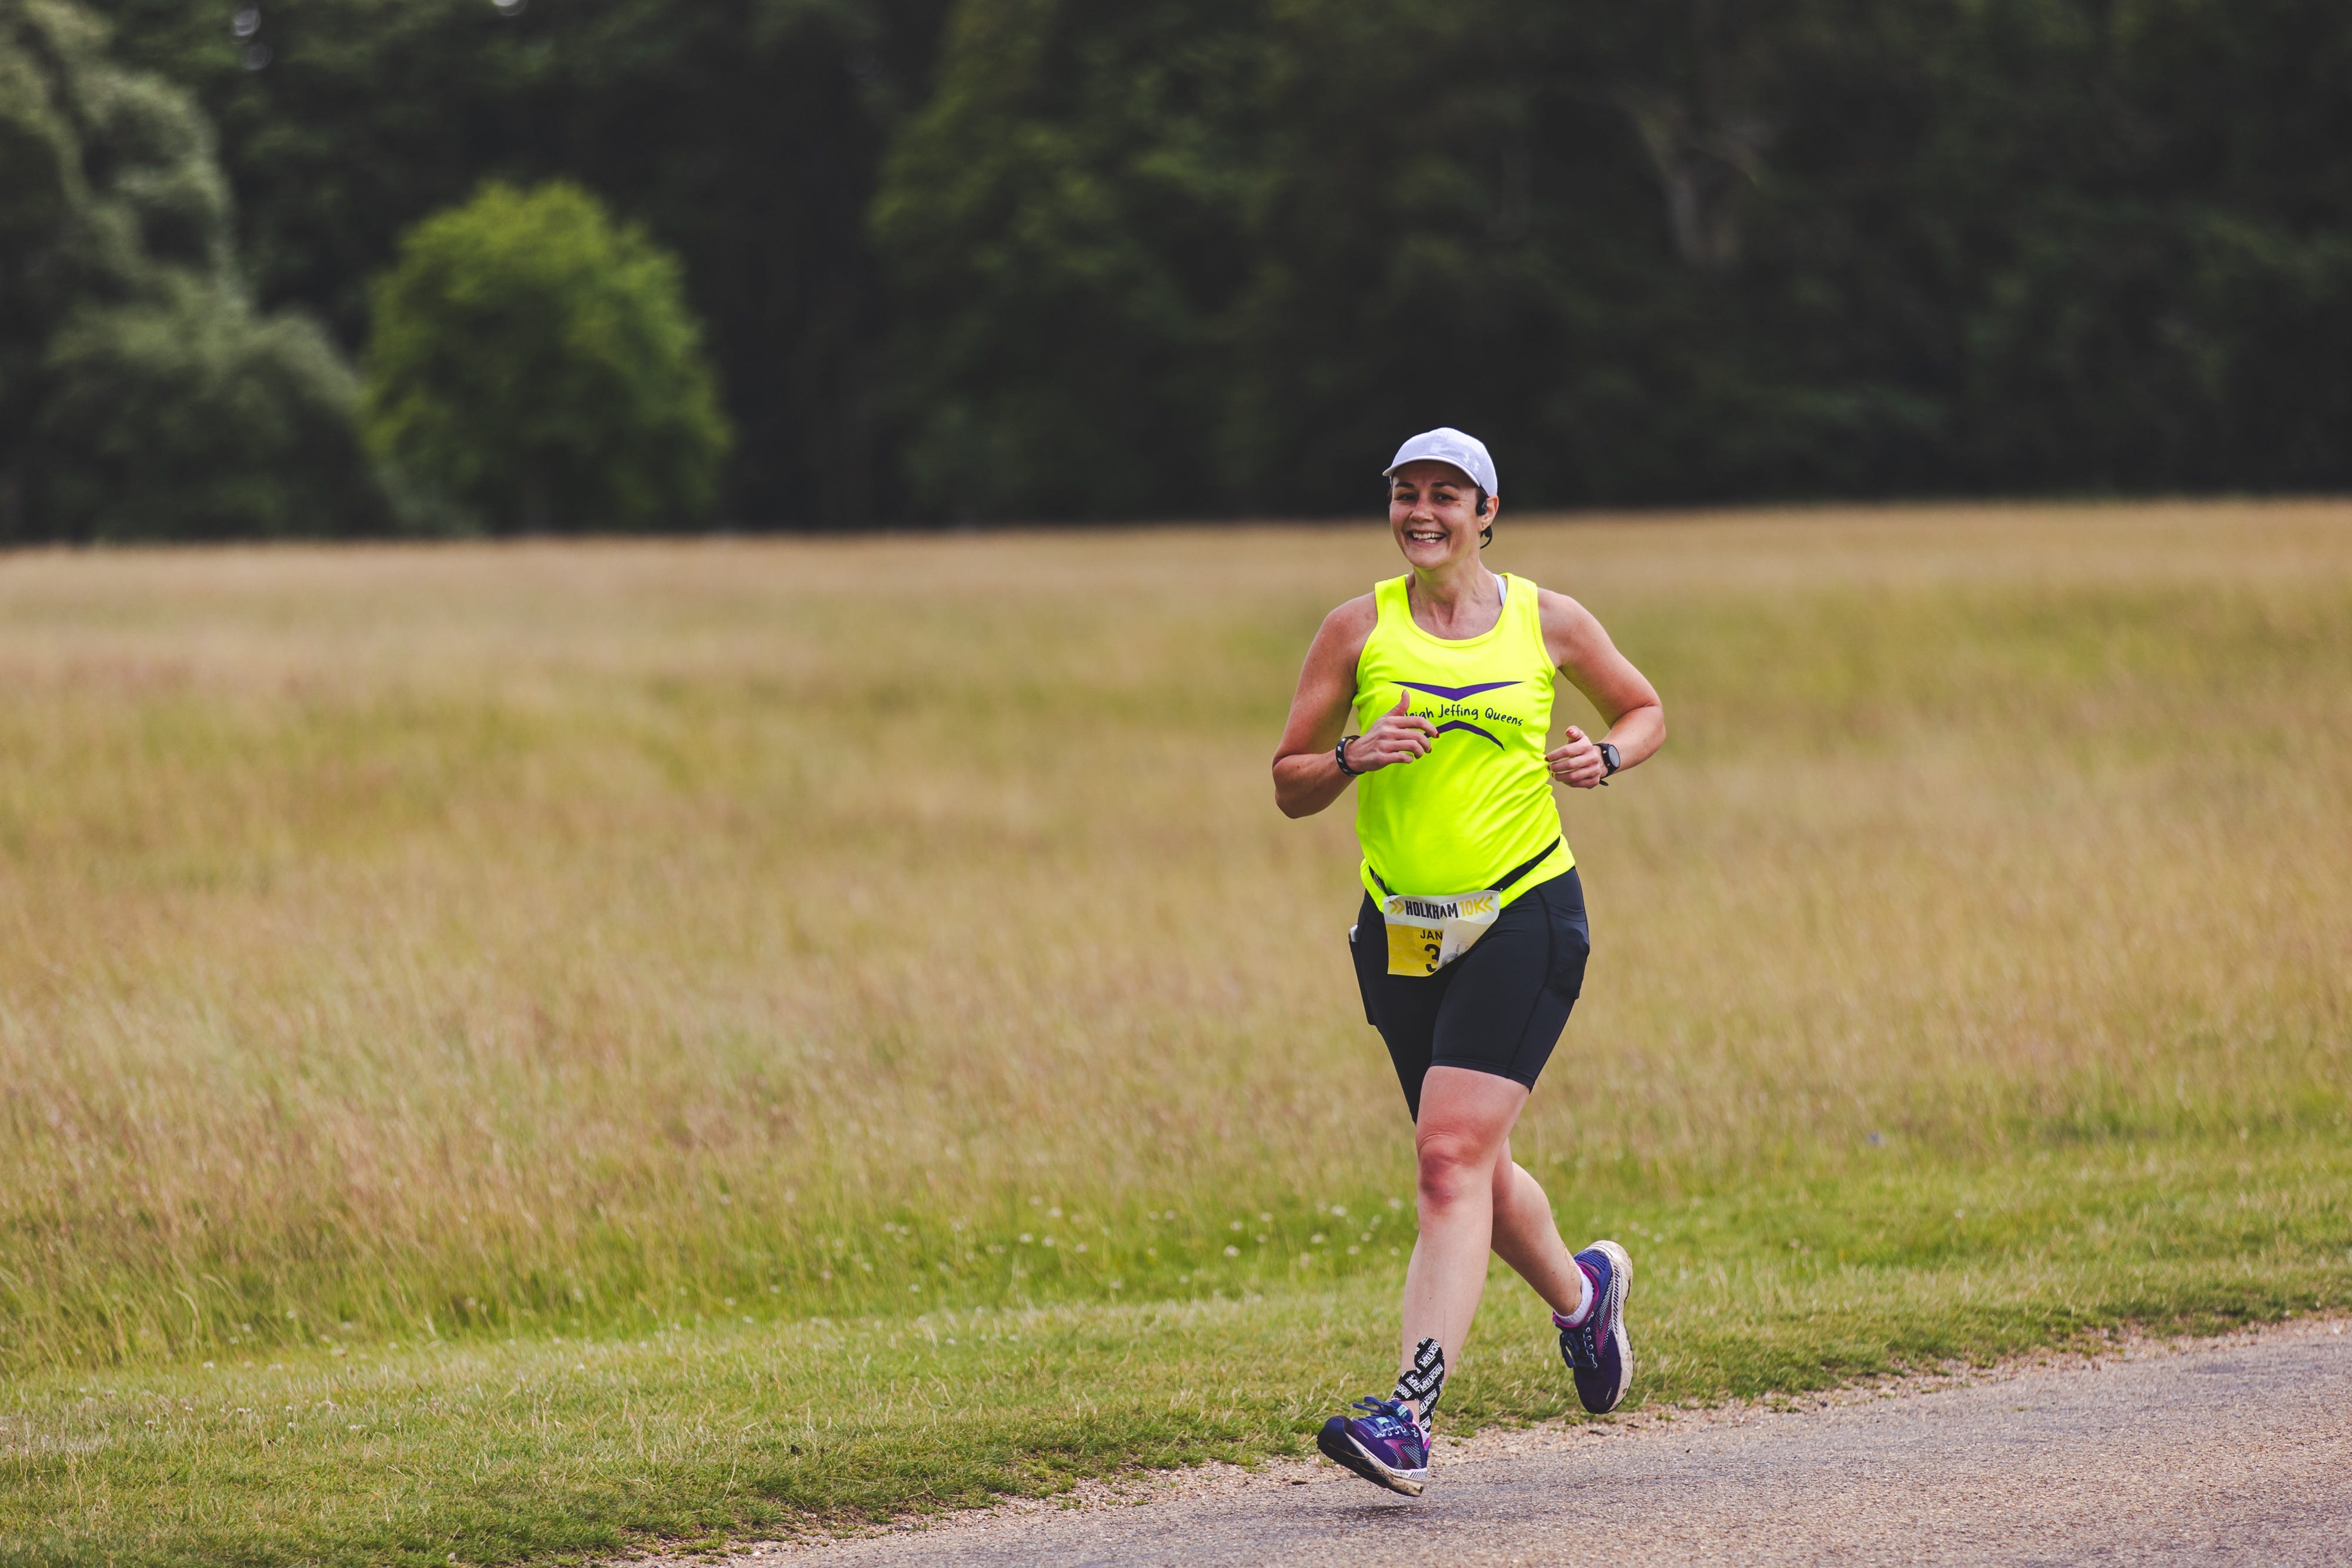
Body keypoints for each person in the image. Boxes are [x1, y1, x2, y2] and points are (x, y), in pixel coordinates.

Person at [1270, 427, 1666, 1496]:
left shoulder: (1550, 620)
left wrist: (1607, 755)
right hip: (1400, 931)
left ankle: (1407, 1418)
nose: (1424, 512)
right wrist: (1352, 755)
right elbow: (1291, 780)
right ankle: (1584, 1301)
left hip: (1528, 911)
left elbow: (1644, 706)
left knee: (1446, 1160)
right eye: (1407, 494)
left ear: (1488, 510)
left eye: (1448, 494)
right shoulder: (1358, 629)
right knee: (1474, 1165)